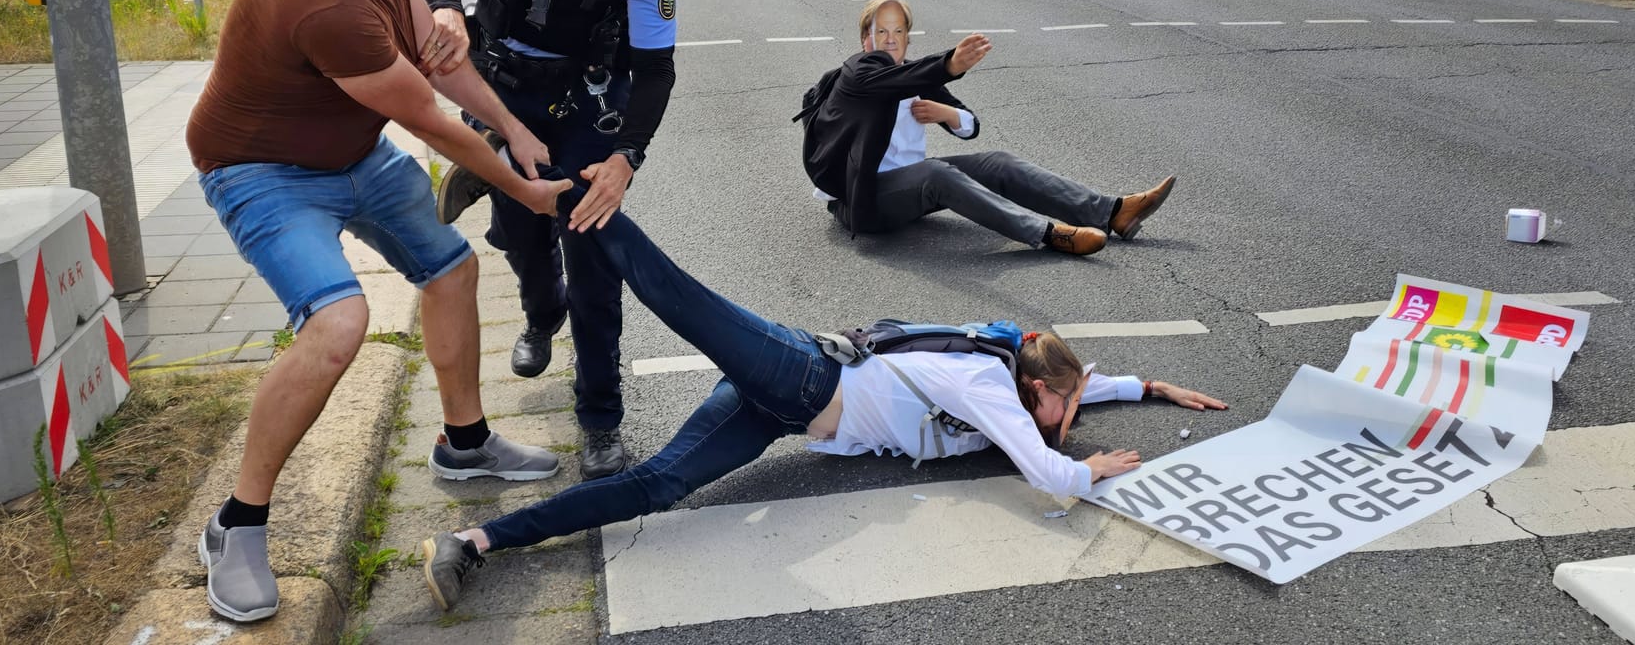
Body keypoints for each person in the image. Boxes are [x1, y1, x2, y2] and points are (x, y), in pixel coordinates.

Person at [417, 196, 1228, 611]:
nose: (1073, 417)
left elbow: (1065, 400)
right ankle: (547, 190)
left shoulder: (1009, 372)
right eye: (1070, 405)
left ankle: (473, 539)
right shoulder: (990, 389)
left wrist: (1146, 387)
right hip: (803, 373)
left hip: (779, 411)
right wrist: (1088, 469)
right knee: (674, 292)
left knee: (656, 486)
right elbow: (1050, 473)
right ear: (1036, 392)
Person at [183, 0, 571, 623]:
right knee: (339, 324)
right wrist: (520, 189)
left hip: (352, 152)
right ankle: (237, 523)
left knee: (452, 268)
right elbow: (431, 119)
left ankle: (465, 444)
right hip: (262, 172)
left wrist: (517, 131)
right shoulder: (319, 0)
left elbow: (440, 60)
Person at [416, 0, 678, 481]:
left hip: (585, 103)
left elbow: (655, 71)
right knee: (526, 237)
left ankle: (601, 422)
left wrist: (626, 158)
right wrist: (443, 9)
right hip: (503, 89)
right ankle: (539, 311)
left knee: (592, 256)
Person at [797, 0, 1177, 256]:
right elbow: (883, 84)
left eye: (898, 33)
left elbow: (970, 125)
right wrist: (949, 64)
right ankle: (1048, 234)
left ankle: (1112, 211)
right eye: (881, 32)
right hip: (860, 201)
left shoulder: (915, 78)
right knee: (936, 172)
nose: (890, 39)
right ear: (866, 40)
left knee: (995, 161)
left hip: (906, 187)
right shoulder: (856, 74)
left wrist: (946, 114)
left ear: (908, 39)